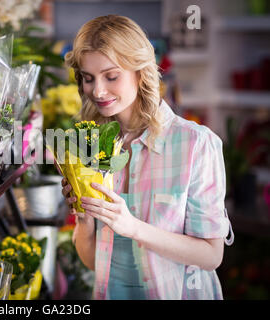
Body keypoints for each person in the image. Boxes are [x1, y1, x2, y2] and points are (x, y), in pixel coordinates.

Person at [61, 15, 234, 300]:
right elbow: (95, 262)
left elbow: (212, 255)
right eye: (89, 78)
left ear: (140, 72)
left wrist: (133, 228)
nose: (98, 91)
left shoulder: (196, 144)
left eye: (111, 76)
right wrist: (83, 216)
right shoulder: (92, 145)